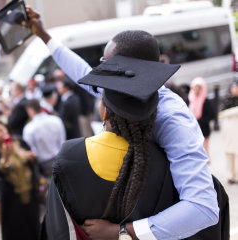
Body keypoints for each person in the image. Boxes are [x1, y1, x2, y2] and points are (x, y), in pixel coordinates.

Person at [27, 8, 219, 239]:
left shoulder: (173, 119)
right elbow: (83, 73)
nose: (101, 73)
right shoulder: (120, 86)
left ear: (132, 71)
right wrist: (45, 36)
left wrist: (122, 232)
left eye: (107, 64)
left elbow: (204, 207)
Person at [0, 120, 40, 240]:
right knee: (15, 229)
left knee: (33, 225)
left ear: (6, 128)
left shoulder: (19, 141)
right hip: (11, 196)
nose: (0, 134)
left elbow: (34, 160)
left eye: (1, 130)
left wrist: (32, 157)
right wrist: (5, 157)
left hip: (30, 191)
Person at [23, 99, 66, 177]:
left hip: (45, 164)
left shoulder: (29, 128)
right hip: (61, 157)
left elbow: (32, 150)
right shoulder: (56, 120)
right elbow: (63, 140)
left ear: (30, 110)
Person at [188, 77, 215, 161]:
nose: (196, 90)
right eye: (195, 88)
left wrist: (199, 120)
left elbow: (211, 115)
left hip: (204, 129)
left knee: (204, 147)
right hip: (192, 128)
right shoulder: (189, 99)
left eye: (198, 88)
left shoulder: (205, 101)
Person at [220, 81, 238, 184]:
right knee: (229, 153)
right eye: (234, 88)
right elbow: (221, 114)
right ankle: (230, 176)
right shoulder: (228, 100)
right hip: (229, 130)